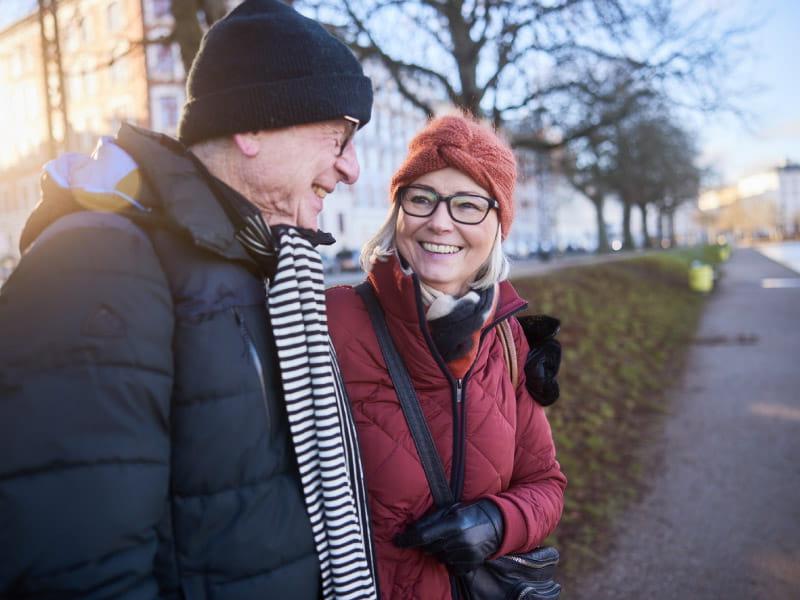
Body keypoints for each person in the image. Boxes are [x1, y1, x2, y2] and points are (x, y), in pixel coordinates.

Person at [0, 1, 380, 598]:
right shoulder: (99, 263)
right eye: (338, 137)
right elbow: (75, 571)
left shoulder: (253, 269)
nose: (352, 169)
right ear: (252, 128)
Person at [326, 115, 567, 599]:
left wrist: (499, 521)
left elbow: (546, 484)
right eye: (422, 198)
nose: (440, 221)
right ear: (398, 210)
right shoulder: (331, 323)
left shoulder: (507, 342)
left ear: (498, 224)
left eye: (467, 205)